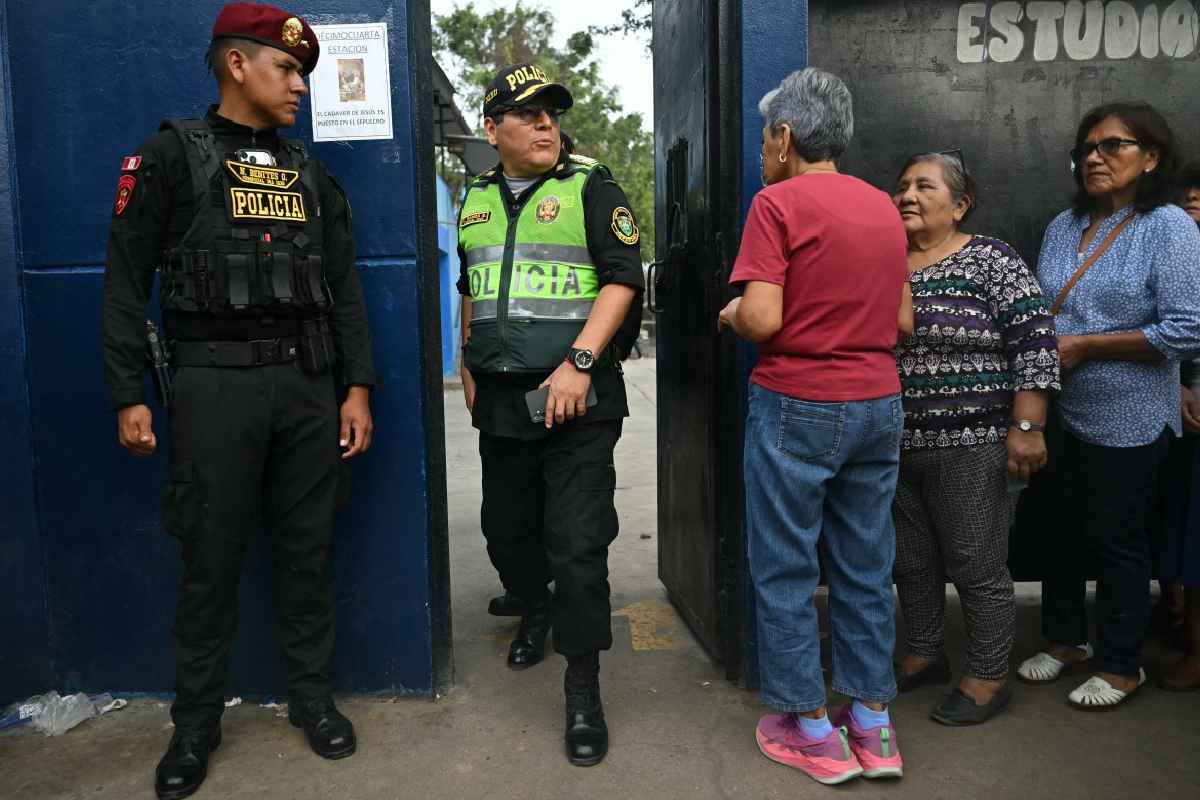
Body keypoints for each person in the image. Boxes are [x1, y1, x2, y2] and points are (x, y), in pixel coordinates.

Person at [101, 5, 375, 797]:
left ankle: (313, 700)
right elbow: (125, 283)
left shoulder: (311, 174)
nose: (299, 86)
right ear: (236, 66)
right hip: (212, 388)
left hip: (306, 388)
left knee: (307, 552)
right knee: (209, 560)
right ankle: (194, 726)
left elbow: (344, 288)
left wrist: (355, 387)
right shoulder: (167, 157)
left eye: (304, 74)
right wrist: (129, 392)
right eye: (287, 70)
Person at [718, 67, 910, 786]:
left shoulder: (777, 203)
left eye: (767, 136)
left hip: (797, 401)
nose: (764, 150)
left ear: (786, 136)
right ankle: (873, 724)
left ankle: (809, 728)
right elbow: (901, 319)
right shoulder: (882, 209)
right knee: (865, 565)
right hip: (877, 402)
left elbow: (762, 317)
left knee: (787, 566)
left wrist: (733, 312)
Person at [455, 63, 644, 766]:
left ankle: (584, 686)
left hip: (577, 396)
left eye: (551, 113)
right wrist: (465, 361)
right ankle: (532, 607)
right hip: (503, 397)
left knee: (577, 543)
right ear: (492, 128)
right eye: (529, 114)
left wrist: (581, 362)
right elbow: (470, 285)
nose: (545, 125)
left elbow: (623, 278)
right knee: (505, 529)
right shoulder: (472, 198)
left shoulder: (588, 186)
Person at [1018, 102, 1200, 710]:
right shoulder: (1063, 226)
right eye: (1088, 148)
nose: (1095, 157)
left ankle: (1123, 663)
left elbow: (1185, 329)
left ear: (1151, 158)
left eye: (1113, 146)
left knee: (1118, 536)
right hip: (1058, 406)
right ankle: (1067, 638)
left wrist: (1087, 345)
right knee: (1059, 527)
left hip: (1131, 413)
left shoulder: (1170, 227)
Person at [889, 152, 1060, 725]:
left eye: (924, 186)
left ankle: (988, 675)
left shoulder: (990, 259)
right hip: (894, 442)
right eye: (903, 186)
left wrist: (1027, 426)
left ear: (960, 204)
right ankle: (924, 653)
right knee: (911, 561)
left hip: (975, 442)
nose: (908, 195)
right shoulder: (883, 259)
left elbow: (1034, 340)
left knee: (976, 562)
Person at [1150, 162, 1200, 691]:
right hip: (1183, 412)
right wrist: (1181, 384)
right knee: (1179, 522)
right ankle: (1178, 613)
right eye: (1189, 200)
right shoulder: (1174, 250)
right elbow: (1177, 336)